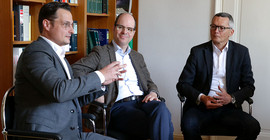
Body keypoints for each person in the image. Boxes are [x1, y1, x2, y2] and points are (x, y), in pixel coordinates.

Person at [13, 2, 125, 140]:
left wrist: (102, 83)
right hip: (46, 135)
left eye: (72, 25)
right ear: (47, 25)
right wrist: (100, 75)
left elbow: (72, 98)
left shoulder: (59, 56)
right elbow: (59, 91)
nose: (72, 30)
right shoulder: (35, 52)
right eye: (66, 25)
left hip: (69, 133)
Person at [72, 13, 174, 140]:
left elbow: (149, 82)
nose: (125, 31)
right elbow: (75, 70)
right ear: (114, 28)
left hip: (142, 101)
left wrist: (153, 92)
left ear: (133, 33)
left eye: (129, 29)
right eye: (121, 27)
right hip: (118, 106)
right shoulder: (101, 52)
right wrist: (98, 88)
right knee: (165, 122)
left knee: (161, 108)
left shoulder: (138, 57)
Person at [176, 12, 261, 140]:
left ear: (231, 32)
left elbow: (249, 87)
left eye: (221, 28)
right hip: (200, 107)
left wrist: (231, 98)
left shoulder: (241, 52)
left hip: (229, 108)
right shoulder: (197, 52)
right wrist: (202, 97)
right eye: (213, 26)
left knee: (253, 126)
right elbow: (182, 84)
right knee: (188, 125)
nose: (216, 31)